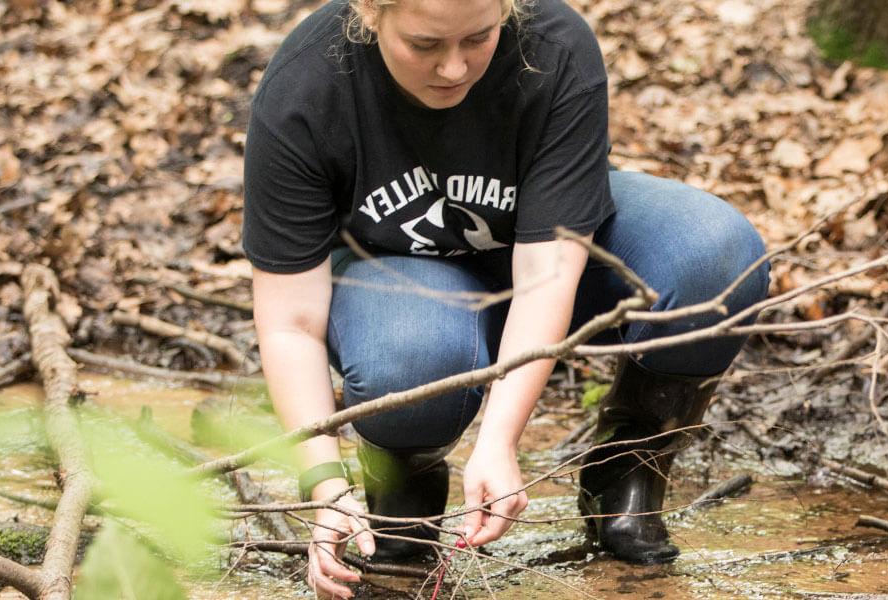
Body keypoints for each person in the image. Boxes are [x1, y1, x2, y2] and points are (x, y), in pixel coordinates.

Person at [240, 0, 769, 596]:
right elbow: (290, 321)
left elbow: (550, 272)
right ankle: (401, 522)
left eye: (478, 39)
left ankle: (623, 477)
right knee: (411, 356)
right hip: (395, 277)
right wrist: (324, 484)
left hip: (544, 246)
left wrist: (499, 441)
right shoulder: (307, 86)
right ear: (370, 12)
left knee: (715, 256)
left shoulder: (553, 45)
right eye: (424, 45)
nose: (454, 69)